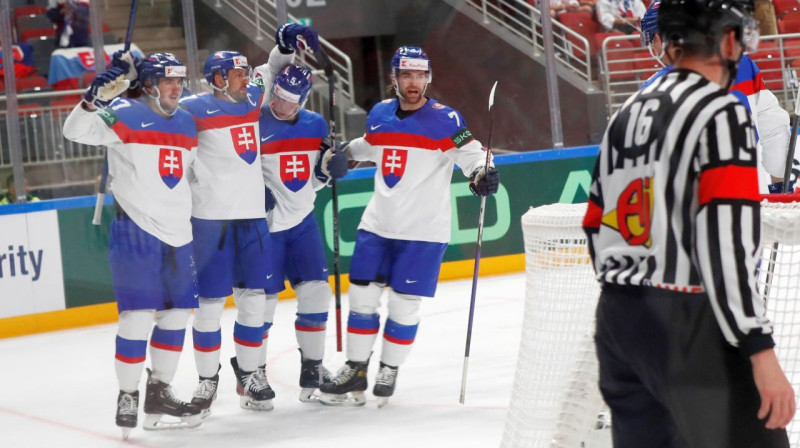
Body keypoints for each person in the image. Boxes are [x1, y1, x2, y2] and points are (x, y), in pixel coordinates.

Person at [582, 0, 796, 445]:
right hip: (691, 318)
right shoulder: (719, 110)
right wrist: (758, 348)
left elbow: (596, 223)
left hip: (620, 321)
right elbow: (726, 243)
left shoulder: (629, 110)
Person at [318, 46, 500, 407]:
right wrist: (342, 154)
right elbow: (372, 144)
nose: (413, 83)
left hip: (423, 233)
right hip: (377, 225)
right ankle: (355, 368)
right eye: (406, 75)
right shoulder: (381, 113)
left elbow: (474, 154)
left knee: (403, 306)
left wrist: (484, 173)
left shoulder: (446, 119)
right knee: (362, 300)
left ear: (428, 78)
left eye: (419, 76)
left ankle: (389, 368)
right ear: (394, 78)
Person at [179, 23, 320, 415]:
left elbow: (271, 69)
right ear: (219, 79)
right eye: (239, 74)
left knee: (255, 301)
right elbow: (163, 128)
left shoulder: (252, 96)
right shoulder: (193, 109)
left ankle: (252, 373)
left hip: (253, 221)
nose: (247, 78)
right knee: (209, 306)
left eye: (245, 73)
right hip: (210, 224)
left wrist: (285, 44)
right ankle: (207, 382)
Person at [62, 52, 202, 438]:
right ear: (152, 84)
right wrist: (93, 100)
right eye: (169, 81)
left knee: (176, 317)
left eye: (180, 81)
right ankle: (127, 394)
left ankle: (160, 392)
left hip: (180, 234)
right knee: (137, 317)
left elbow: (192, 176)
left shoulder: (189, 123)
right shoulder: (122, 111)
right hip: (135, 232)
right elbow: (75, 131)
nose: (177, 88)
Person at [258, 57, 350, 402]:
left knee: (316, 293)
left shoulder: (314, 126)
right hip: (264, 229)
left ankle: (312, 369)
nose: (281, 104)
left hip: (302, 223)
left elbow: (313, 179)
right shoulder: (254, 122)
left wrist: (329, 170)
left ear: (304, 99)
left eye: (290, 99)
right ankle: (251, 374)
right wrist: (251, 190)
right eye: (277, 95)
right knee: (260, 305)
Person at [640, 0, 794, 193]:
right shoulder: (744, 67)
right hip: (754, 205)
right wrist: (780, 187)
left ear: (660, 39)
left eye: (651, 41)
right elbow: (775, 130)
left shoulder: (654, 88)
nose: (653, 49)